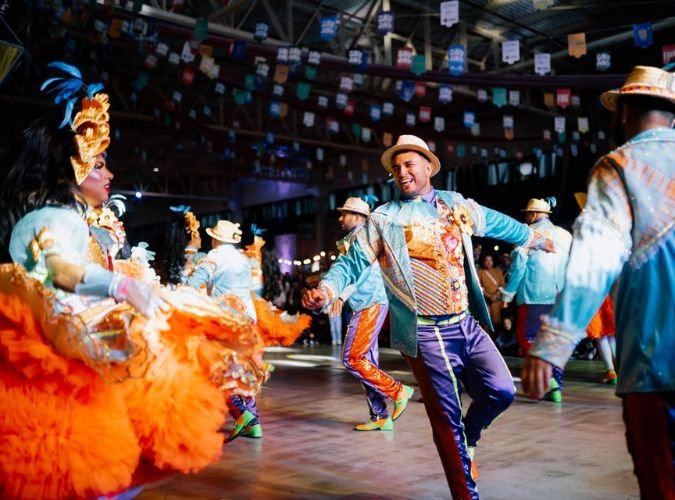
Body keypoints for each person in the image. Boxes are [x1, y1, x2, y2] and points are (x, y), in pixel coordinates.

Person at [0, 63, 262, 498]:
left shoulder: (67, 217)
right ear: (74, 166)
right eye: (100, 164)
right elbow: (58, 269)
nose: (109, 174)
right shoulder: (52, 218)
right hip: (58, 359)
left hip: (73, 352)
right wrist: (118, 286)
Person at [302, 135, 554, 499]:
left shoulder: (455, 204)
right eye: (396, 168)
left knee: (502, 391)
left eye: (409, 165)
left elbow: (497, 223)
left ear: (427, 167)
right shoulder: (384, 218)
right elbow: (351, 263)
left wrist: (532, 237)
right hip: (424, 332)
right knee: (446, 419)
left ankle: (470, 437)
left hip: (464, 322)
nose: (402, 172)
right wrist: (326, 289)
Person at [522, 65, 675, 500]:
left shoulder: (619, 166)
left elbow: (594, 261)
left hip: (655, 367)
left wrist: (551, 345)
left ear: (623, 111)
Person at [332, 196, 414, 431]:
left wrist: (341, 295)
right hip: (370, 302)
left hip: (370, 303)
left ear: (358, 217)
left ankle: (398, 390)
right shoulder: (356, 237)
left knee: (352, 358)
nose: (341, 218)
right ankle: (380, 415)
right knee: (367, 364)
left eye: (345, 213)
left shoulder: (361, 238)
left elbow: (356, 273)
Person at [188, 219, 263, 441]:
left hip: (225, 321)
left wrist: (179, 291)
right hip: (248, 320)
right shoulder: (243, 259)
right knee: (243, 371)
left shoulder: (214, 256)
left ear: (215, 239)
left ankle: (241, 414)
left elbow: (195, 281)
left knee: (215, 370)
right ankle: (254, 424)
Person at [500, 197, 572, 402]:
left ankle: (549, 380)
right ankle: (556, 385)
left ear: (532, 215)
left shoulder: (526, 234)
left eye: (526, 214)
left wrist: (508, 294)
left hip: (534, 294)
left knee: (526, 337)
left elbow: (518, 267)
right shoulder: (565, 235)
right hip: (559, 295)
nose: (525, 218)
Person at [477, 254, 505, 330]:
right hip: (487, 302)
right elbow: (479, 287)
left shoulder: (498, 271)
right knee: (487, 323)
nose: (489, 262)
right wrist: (489, 296)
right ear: (483, 262)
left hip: (497, 301)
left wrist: (496, 295)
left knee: (497, 322)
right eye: (486, 260)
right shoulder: (480, 273)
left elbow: (502, 285)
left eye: (490, 260)